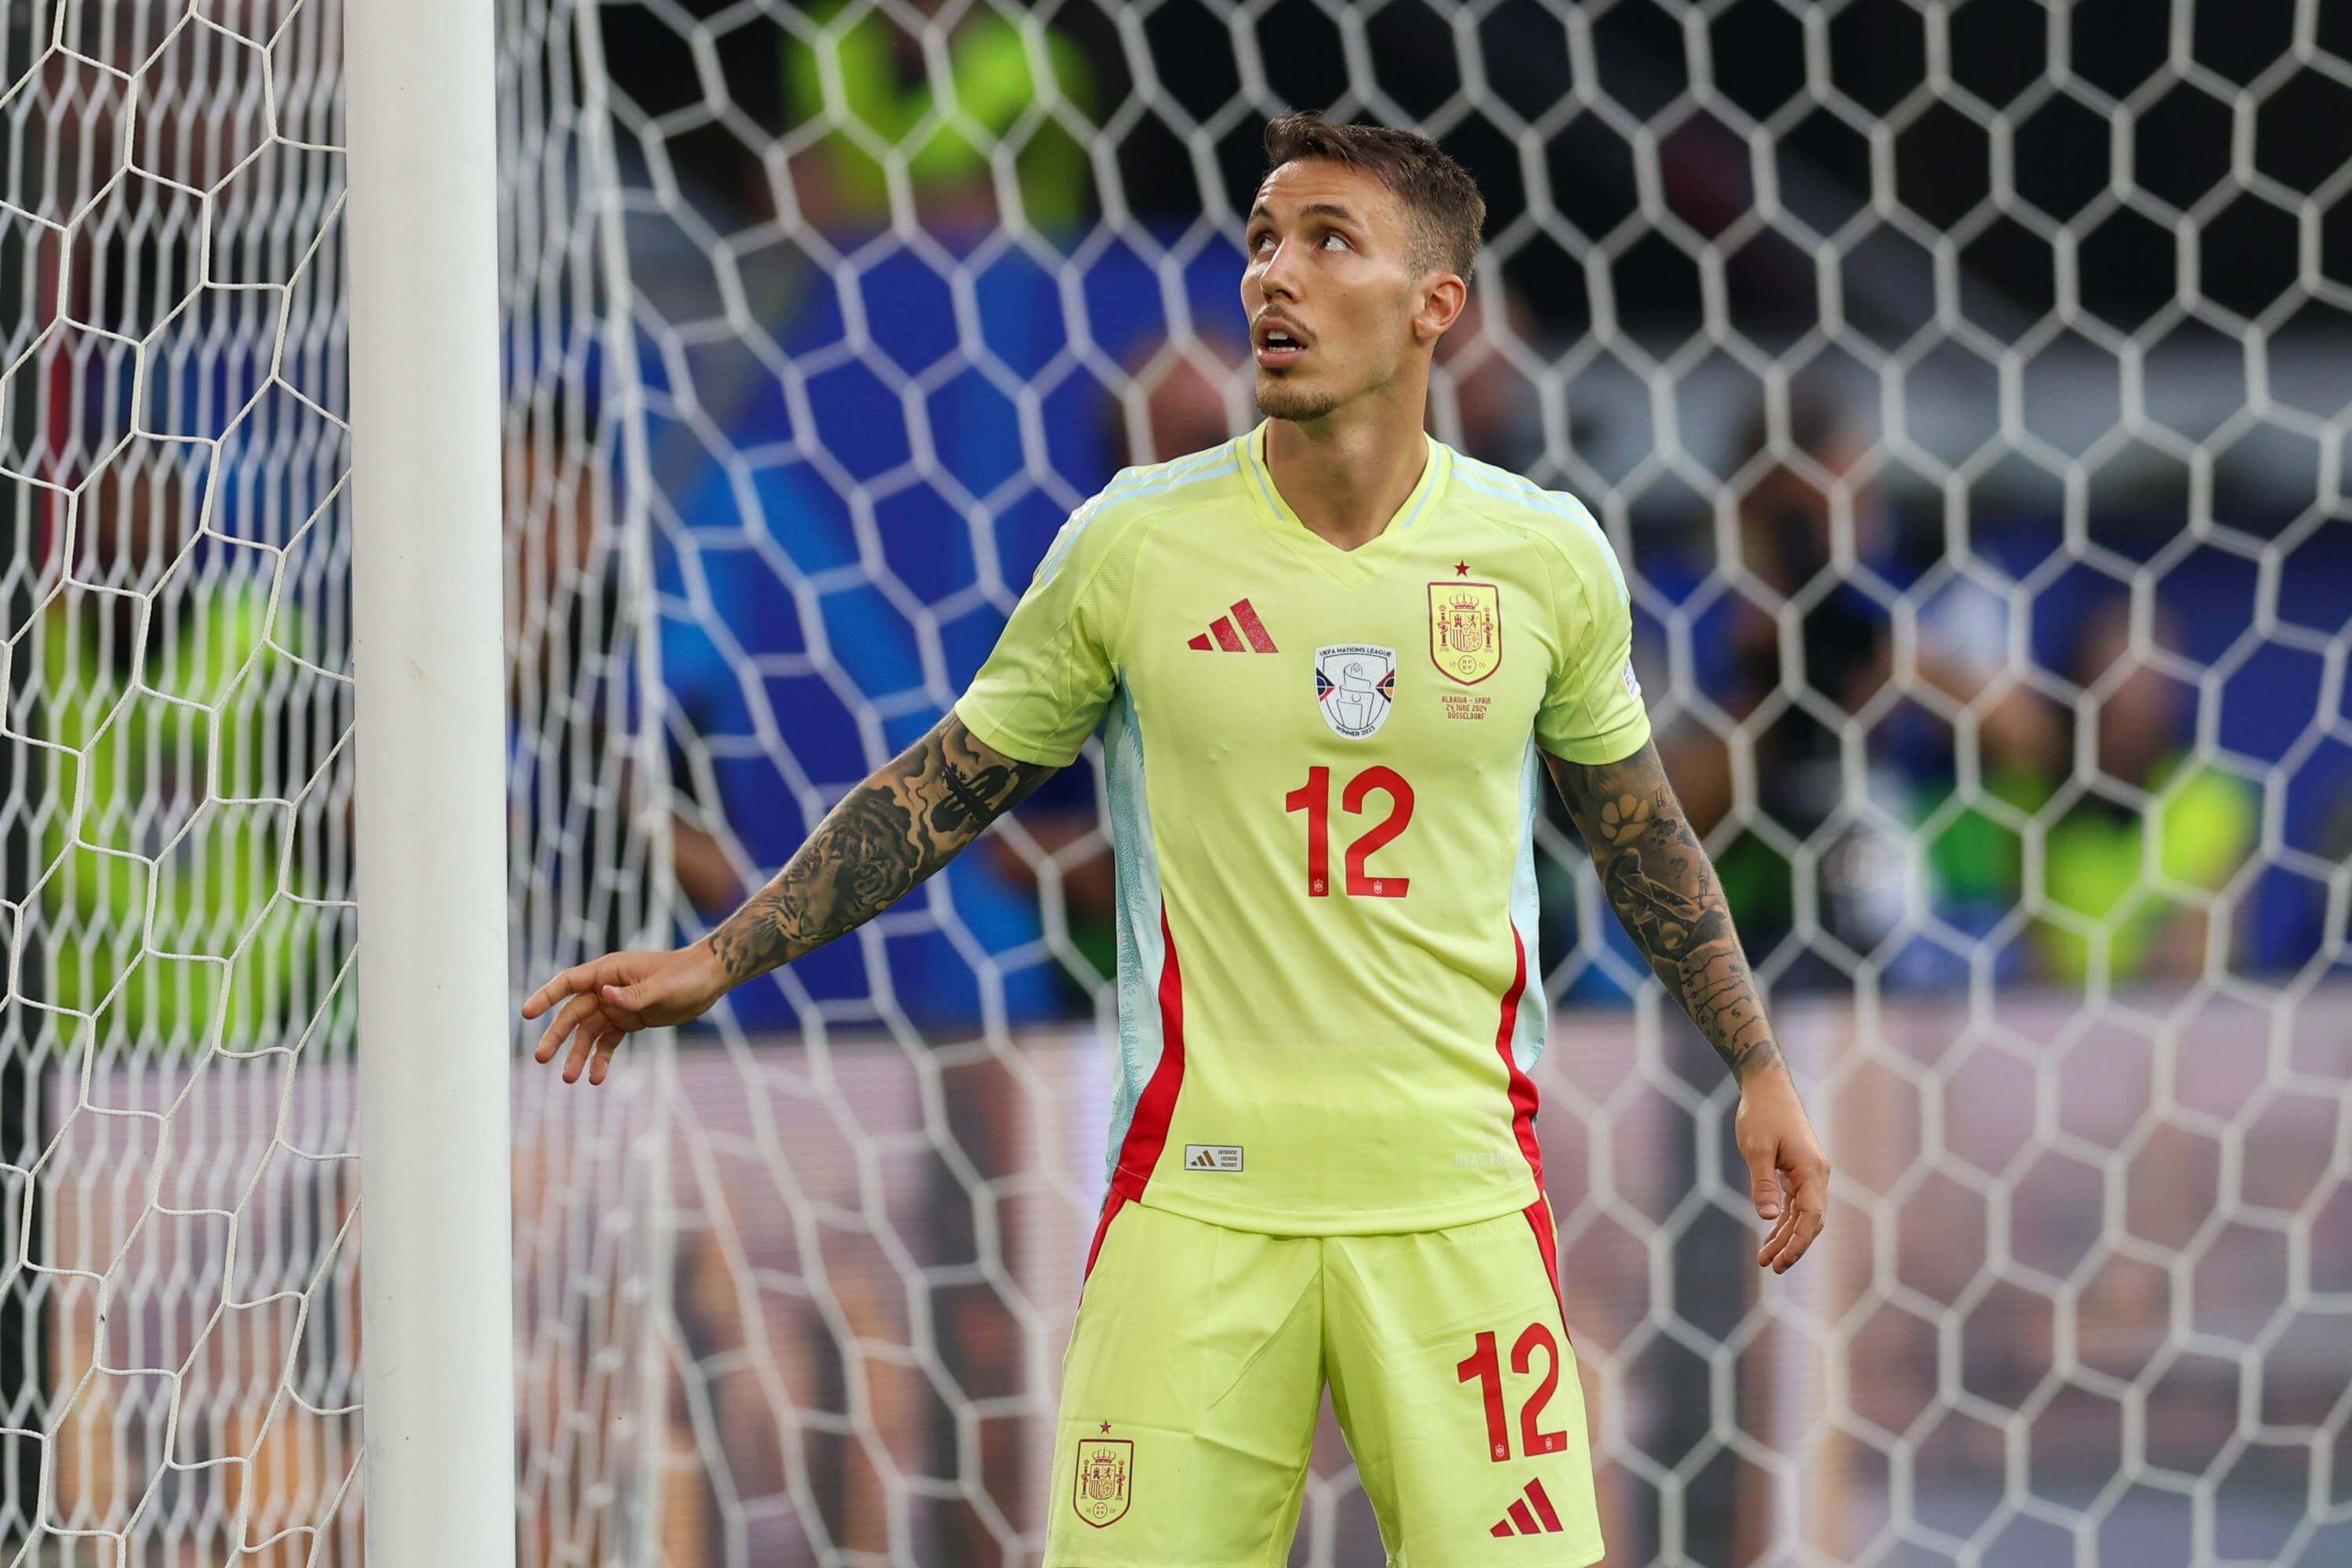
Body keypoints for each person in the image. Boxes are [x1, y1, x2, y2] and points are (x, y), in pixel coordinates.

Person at [522, 112, 1831, 1568]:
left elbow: (1642, 837)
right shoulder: (1134, 546)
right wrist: (722, 956)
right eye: (1264, 240)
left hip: (1457, 1205)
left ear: (1434, 307)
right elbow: (940, 792)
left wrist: (1756, 1061)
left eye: (1329, 241)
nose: (1275, 275)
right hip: (1200, 1207)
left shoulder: (1544, 556)